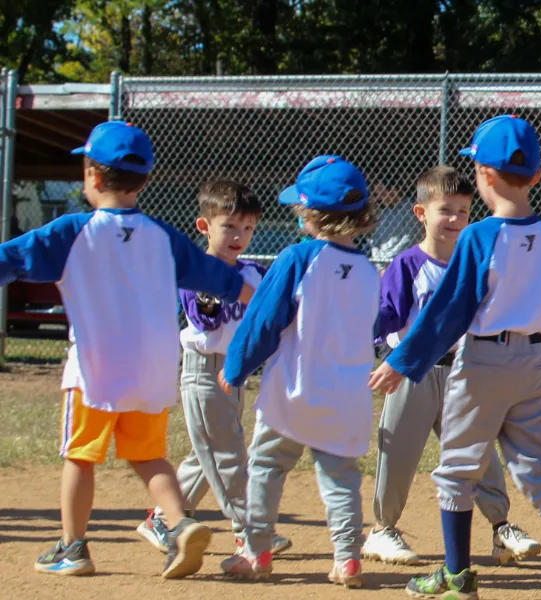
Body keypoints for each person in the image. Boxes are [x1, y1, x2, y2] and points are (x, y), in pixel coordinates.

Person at [368, 115, 541, 600]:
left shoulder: (479, 236)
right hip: (535, 366)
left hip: (485, 362)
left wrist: (401, 361)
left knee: (456, 468)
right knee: (536, 465)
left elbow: (447, 314)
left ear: (483, 176)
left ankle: (455, 577)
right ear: (537, 175)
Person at [0, 122, 253, 578]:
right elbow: (227, 282)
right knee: (148, 455)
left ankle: (73, 548)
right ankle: (179, 525)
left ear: (93, 177)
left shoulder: (72, 232)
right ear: (146, 181)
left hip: (95, 368)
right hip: (154, 369)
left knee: (80, 455)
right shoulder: (164, 236)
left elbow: (9, 260)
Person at [365, 165, 541, 566]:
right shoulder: (407, 265)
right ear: (420, 213)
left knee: (480, 456)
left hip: (465, 373)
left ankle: (501, 528)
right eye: (445, 210)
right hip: (415, 372)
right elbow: (386, 315)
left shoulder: (474, 265)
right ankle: (382, 529)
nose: (455, 219)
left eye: (463, 211)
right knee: (398, 452)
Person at [219, 155, 380, 588]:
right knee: (341, 478)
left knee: (267, 465)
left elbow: (263, 320)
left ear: (310, 214)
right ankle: (347, 559)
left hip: (294, 388)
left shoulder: (297, 257)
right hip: (346, 395)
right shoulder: (369, 270)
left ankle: (257, 554)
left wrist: (236, 366)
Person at [134, 180, 294, 556]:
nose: (240, 236)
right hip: (203, 372)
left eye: (248, 228)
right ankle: (250, 530)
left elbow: (275, 311)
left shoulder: (254, 271)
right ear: (204, 227)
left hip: (235, 373)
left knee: (208, 452)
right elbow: (206, 319)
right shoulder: (195, 272)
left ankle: (161, 518)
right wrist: (231, 287)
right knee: (227, 456)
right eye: (229, 226)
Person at [370, 180, 418, 264]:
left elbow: (409, 238)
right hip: (380, 261)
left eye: (382, 193)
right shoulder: (384, 213)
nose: (379, 198)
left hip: (399, 261)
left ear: (394, 190)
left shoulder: (411, 209)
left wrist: (388, 258)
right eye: (377, 194)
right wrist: (378, 260)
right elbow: (375, 239)